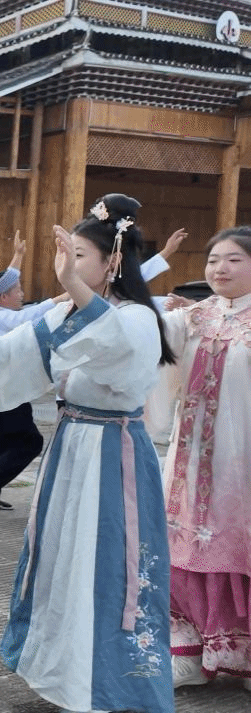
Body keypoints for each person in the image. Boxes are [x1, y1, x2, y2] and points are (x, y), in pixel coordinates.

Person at [0, 193, 176, 712]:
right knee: (61, 557)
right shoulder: (69, 310)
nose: (66, 262)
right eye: (65, 253)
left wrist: (70, 285)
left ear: (113, 260)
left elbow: (115, 352)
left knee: (107, 563)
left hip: (113, 455)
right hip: (70, 446)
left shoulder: (136, 317)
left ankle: (115, 682)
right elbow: (11, 355)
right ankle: (61, 669)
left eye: (78, 254)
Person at [153, 228, 251, 690]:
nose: (219, 269)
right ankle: (188, 651)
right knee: (185, 545)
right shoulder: (191, 317)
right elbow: (140, 337)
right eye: (213, 260)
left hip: (242, 461)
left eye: (233, 259)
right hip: (189, 463)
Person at [0, 231, 66, 511]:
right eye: (18, 291)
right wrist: (69, 293)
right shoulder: (0, 317)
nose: (23, 294)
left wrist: (18, 256)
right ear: (4, 297)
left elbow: (6, 283)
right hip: (8, 390)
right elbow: (31, 315)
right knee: (30, 442)